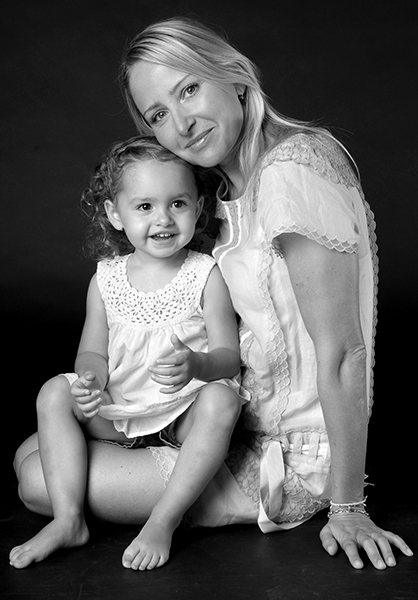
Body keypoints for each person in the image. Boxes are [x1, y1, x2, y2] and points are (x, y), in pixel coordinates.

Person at [12, 17, 413, 571]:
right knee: (31, 451)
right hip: (227, 422)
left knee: (37, 478)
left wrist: (348, 507)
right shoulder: (228, 189)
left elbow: (344, 350)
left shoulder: (293, 171)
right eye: (157, 114)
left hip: (285, 456)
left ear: (234, 77)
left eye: (189, 89)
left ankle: (127, 513)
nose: (181, 123)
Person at [9, 135, 246, 571]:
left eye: (178, 203)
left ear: (199, 208)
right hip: (120, 414)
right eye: (145, 206)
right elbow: (92, 352)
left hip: (180, 415)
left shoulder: (205, 275)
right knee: (54, 391)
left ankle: (163, 520)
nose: (163, 219)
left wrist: (198, 364)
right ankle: (68, 520)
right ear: (115, 214)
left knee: (223, 399)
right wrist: (90, 380)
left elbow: (229, 357)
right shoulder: (106, 279)